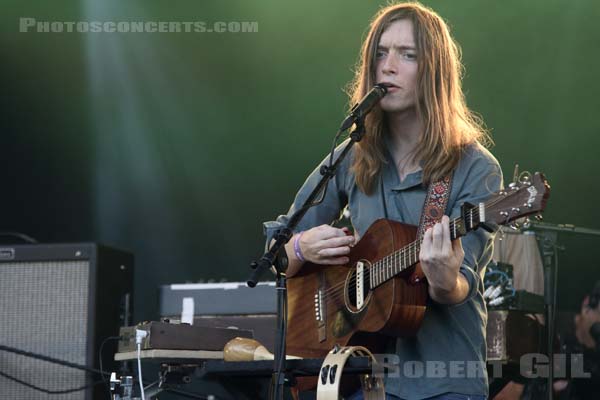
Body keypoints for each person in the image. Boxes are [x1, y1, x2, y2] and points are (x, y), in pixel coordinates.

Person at [264, 2, 502, 399]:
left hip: (442, 381)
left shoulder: (475, 167)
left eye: (407, 55)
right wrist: (302, 247)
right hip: (360, 376)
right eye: (380, 53)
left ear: (435, 70)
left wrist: (444, 278)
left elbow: (457, 288)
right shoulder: (351, 156)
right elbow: (276, 253)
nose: (387, 66)